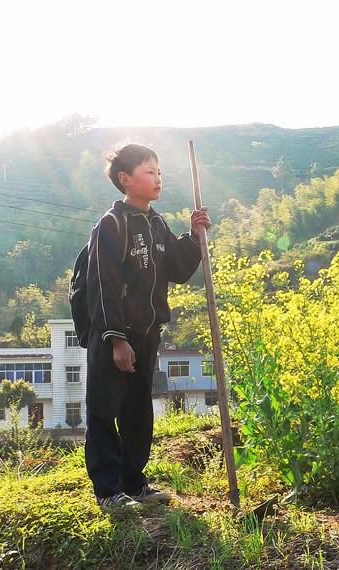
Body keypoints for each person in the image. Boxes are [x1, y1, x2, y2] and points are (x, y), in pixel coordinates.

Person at [85, 143, 211, 508]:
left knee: (138, 410)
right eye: (149, 171)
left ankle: (135, 483)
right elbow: (101, 285)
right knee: (104, 410)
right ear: (125, 179)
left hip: (147, 333)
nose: (157, 178)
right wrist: (116, 339)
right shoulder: (111, 225)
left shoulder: (157, 224)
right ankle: (108, 492)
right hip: (115, 336)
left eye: (159, 171)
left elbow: (178, 270)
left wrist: (193, 235)